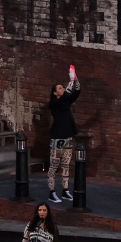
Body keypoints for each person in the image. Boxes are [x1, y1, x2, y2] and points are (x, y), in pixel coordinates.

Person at [46, 67, 81, 203]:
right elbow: (66, 96)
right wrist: (70, 82)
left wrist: (75, 78)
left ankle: (65, 190)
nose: (62, 89)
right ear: (55, 93)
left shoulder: (65, 101)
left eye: (62, 87)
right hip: (57, 137)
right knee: (54, 165)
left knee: (66, 165)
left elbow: (76, 92)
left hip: (67, 136)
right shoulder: (54, 103)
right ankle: (52, 192)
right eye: (59, 88)